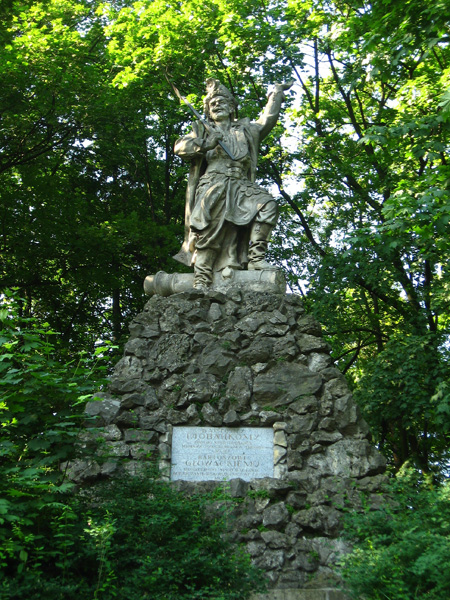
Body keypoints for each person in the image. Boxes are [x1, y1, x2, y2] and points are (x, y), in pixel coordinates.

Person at [174, 78, 292, 289]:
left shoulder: (246, 130)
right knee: (209, 230)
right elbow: (180, 147)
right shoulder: (203, 129)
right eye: (212, 104)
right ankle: (202, 278)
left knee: (266, 205)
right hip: (213, 183)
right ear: (208, 111)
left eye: (221, 101)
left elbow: (267, 120)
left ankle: (256, 258)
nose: (217, 105)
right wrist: (204, 144)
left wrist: (275, 93)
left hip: (240, 185)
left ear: (231, 107)